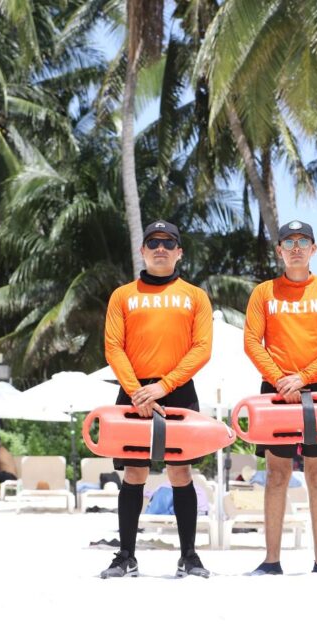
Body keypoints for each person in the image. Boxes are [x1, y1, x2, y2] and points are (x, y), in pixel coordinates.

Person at [102, 219, 214, 579]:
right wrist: (137, 390)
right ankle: (126, 556)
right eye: (154, 242)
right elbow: (113, 347)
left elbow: (202, 349)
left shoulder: (196, 296)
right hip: (132, 392)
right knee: (133, 473)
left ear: (180, 252)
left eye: (168, 243)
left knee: (181, 473)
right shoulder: (122, 295)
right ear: (143, 250)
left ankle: (189, 557)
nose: (160, 248)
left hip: (178, 391)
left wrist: (163, 387)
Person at [243, 220, 317, 576]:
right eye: (288, 242)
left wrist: (302, 378)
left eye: (302, 241)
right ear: (279, 251)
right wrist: (280, 380)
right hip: (275, 392)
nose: (295, 248)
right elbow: (251, 343)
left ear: (313, 249)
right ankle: (271, 561)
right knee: (276, 475)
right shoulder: (264, 293)